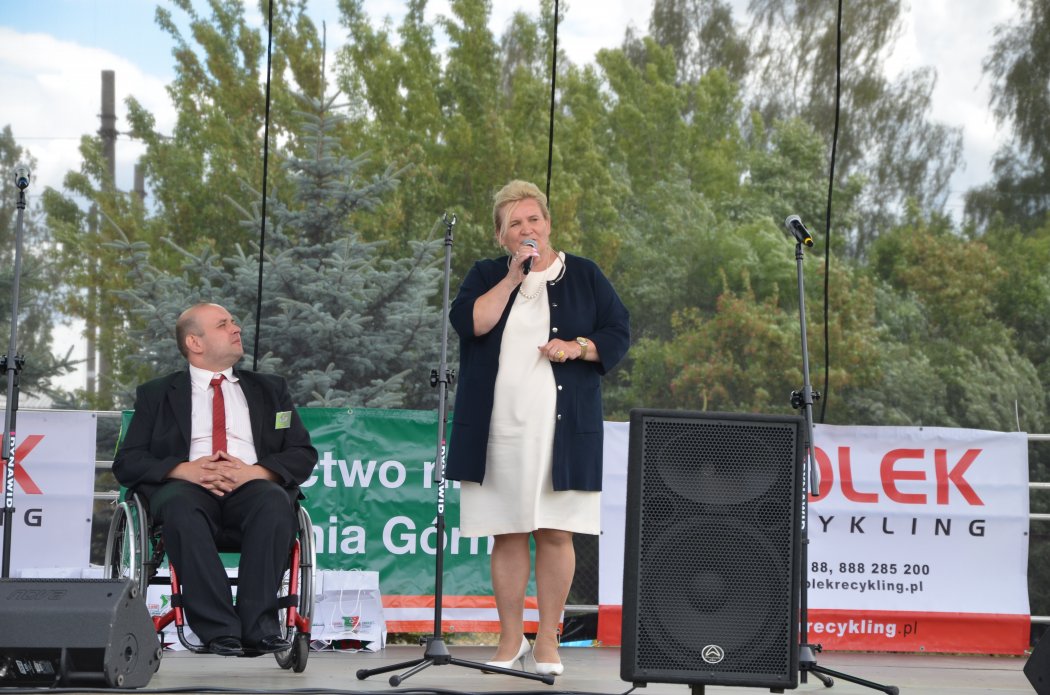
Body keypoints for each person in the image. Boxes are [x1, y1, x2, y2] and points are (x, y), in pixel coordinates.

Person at [447, 180, 630, 676]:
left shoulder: (585, 274)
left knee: (556, 532)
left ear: (547, 223)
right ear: (501, 236)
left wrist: (578, 347)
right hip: (498, 430)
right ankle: (511, 639)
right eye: (515, 224)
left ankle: (548, 639)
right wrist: (513, 278)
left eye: (533, 219)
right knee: (507, 534)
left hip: (563, 432)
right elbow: (470, 323)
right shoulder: (487, 274)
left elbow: (618, 330)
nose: (526, 228)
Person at [113, 302, 317, 657]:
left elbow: (302, 453)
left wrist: (255, 471)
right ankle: (219, 629)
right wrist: (182, 469)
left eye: (234, 322)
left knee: (273, 501)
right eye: (223, 324)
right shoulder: (157, 394)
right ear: (195, 342)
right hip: (186, 489)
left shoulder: (271, 390)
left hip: (252, 487)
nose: (236, 328)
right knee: (180, 506)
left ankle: (259, 627)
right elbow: (128, 462)